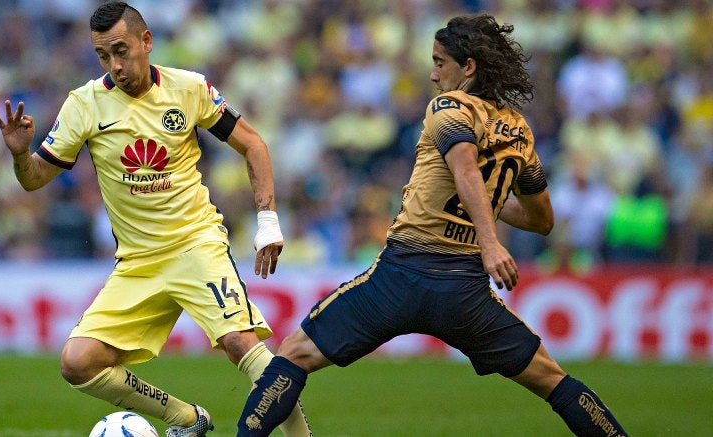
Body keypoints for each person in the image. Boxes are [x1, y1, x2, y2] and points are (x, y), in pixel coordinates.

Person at [237, 14, 628, 437]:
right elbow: (542, 218)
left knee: (293, 355)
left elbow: (463, 168)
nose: (432, 73)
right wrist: (491, 207)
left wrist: (491, 241)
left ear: (469, 67)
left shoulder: (448, 108)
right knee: (553, 380)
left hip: (400, 276)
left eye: (440, 62)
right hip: (464, 294)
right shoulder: (519, 131)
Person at [0, 2, 311, 437]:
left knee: (242, 344)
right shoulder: (83, 105)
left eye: (121, 51)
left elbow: (252, 144)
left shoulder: (190, 89)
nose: (115, 66)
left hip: (196, 243)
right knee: (77, 362)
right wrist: (17, 154)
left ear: (147, 41)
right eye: (104, 56)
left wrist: (268, 219)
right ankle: (186, 418)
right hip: (139, 262)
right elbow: (33, 180)